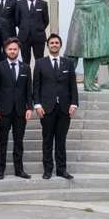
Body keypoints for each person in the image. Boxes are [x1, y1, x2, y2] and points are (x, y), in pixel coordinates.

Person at [33, 34, 78, 179]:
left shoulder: (68, 63)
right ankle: (47, 170)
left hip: (64, 108)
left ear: (60, 45)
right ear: (47, 46)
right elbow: (36, 86)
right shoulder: (40, 63)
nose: (54, 45)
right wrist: (37, 105)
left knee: (61, 140)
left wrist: (74, 104)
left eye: (56, 43)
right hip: (46, 108)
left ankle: (61, 169)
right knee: (47, 140)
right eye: (51, 43)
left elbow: (73, 86)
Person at [0, 38, 32, 179]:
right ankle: (0, 169)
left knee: (18, 141)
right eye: (10, 49)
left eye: (15, 49)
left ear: (18, 50)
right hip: (4, 110)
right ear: (6, 50)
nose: (12, 51)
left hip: (20, 110)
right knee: (2, 140)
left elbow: (28, 90)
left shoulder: (26, 68)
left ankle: (18, 169)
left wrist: (30, 108)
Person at [16, 0, 50, 64]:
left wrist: (38, 28)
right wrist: (24, 27)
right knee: (25, 61)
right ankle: (26, 77)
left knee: (40, 61)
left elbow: (46, 21)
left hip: (38, 36)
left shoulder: (43, 4)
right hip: (24, 37)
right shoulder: (19, 3)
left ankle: (38, 77)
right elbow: (17, 20)